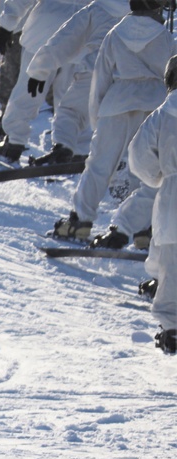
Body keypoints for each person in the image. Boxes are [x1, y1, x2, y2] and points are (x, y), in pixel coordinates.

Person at [52, 0, 176, 241]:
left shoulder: (115, 33)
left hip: (117, 102)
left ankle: (80, 220)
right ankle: (141, 228)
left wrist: (98, 116)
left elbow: (102, 75)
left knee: (99, 165)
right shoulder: (165, 37)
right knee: (146, 170)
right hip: (153, 103)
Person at [21, 0, 131, 166]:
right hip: (135, 79)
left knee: (71, 112)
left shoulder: (96, 9)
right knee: (130, 124)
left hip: (96, 71)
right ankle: (124, 165)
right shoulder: (153, 18)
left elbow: (65, 39)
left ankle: (63, 148)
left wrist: (40, 69)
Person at [0, 0, 91, 162]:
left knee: (28, 90)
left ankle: (14, 141)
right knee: (71, 95)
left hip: (45, 28)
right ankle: (74, 146)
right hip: (83, 33)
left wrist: (6, 26)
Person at [128, 55, 177, 354]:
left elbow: (139, 155)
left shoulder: (164, 113)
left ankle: (172, 328)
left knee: (171, 254)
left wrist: (159, 176)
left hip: (175, 190)